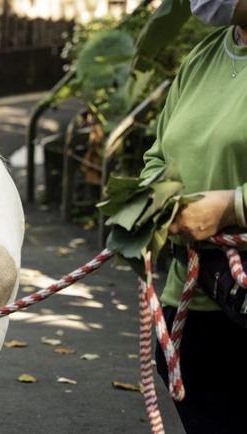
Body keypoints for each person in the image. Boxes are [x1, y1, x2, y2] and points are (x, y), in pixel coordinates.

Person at [140, 1, 247, 432]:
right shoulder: (204, 56)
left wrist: (231, 207)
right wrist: (154, 201)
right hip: (192, 297)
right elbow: (156, 156)